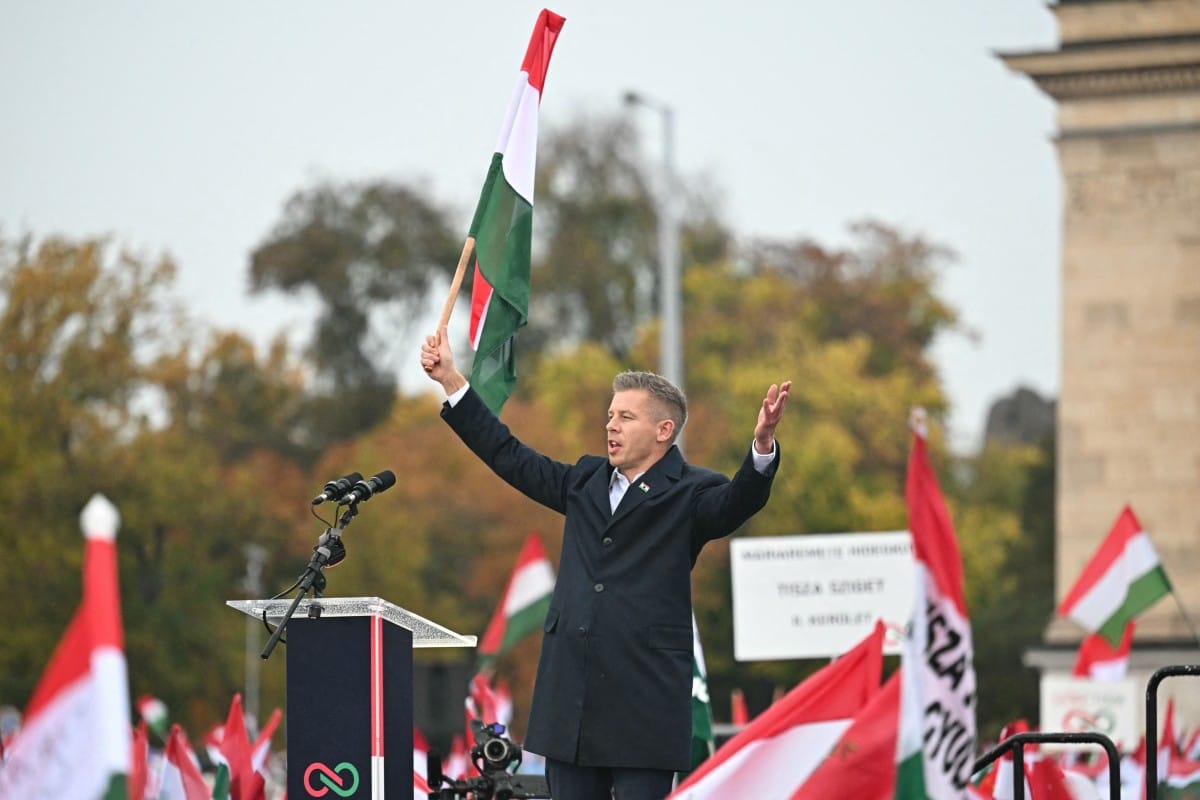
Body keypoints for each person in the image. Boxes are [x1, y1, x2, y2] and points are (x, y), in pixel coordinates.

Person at [420, 326, 790, 800]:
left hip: (645, 709)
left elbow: (738, 502)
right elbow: (509, 455)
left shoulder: (693, 492)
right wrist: (452, 380)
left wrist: (761, 447)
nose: (611, 426)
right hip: (569, 705)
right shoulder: (585, 480)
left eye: (626, 417)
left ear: (664, 430)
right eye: (610, 416)